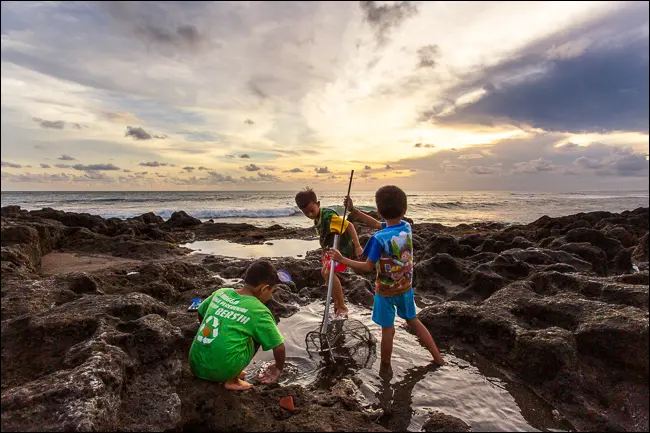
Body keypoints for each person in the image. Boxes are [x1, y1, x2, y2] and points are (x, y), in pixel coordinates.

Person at [328, 185, 445, 369]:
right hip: (406, 287)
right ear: (404, 210)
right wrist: (354, 211)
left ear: (379, 211)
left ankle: (385, 367)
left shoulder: (378, 239)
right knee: (414, 321)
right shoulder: (406, 227)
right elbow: (375, 224)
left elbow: (366, 267)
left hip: (385, 292)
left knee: (388, 330)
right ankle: (438, 358)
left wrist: (343, 259)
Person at [188, 260, 286, 391]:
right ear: (264, 288)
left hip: (195, 364)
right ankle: (232, 379)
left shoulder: (221, 292)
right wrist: (277, 369)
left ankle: (227, 367)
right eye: (271, 291)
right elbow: (279, 347)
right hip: (222, 371)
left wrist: (208, 332)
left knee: (232, 329)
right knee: (255, 335)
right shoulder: (258, 310)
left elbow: (201, 311)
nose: (270, 296)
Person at [295, 187, 363, 319]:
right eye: (305, 213)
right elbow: (324, 237)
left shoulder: (329, 216)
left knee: (329, 273)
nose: (309, 214)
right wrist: (323, 253)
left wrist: (358, 245)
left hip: (342, 250)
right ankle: (337, 302)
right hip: (330, 249)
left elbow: (349, 226)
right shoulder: (317, 219)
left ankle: (342, 306)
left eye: (311, 210)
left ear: (318, 204)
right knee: (324, 272)